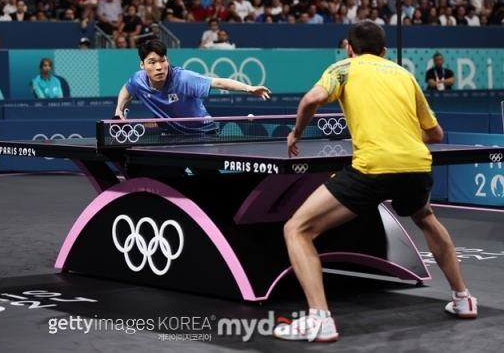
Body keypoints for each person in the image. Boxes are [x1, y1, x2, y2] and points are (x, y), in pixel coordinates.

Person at [277, 21, 476, 343]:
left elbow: (309, 101)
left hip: (374, 168)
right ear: (383, 52)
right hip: (417, 166)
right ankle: (463, 297)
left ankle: (320, 319)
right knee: (425, 217)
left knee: (297, 229)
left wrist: (296, 133)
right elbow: (435, 134)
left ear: (349, 48)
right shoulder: (404, 74)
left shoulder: (343, 68)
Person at [115, 39, 271, 134]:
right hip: (171, 135)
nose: (159, 67)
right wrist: (119, 110)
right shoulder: (138, 81)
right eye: (152, 62)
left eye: (162, 60)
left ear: (167, 60)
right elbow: (126, 90)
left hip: (202, 133)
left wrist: (248, 88)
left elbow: (219, 82)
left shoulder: (183, 79)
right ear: (142, 65)